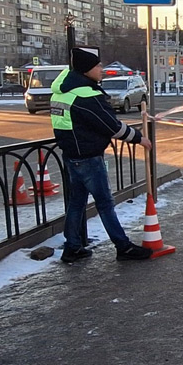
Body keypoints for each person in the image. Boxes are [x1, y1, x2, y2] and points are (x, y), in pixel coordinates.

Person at [51, 48, 152, 263]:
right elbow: (111, 126)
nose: (101, 69)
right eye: (97, 66)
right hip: (88, 157)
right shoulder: (86, 96)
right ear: (87, 70)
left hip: (71, 155)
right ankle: (123, 247)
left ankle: (72, 247)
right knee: (105, 203)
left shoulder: (61, 92)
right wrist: (139, 138)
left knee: (76, 203)